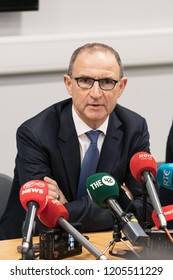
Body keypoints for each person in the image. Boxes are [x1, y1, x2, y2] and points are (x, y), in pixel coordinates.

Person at [0, 42, 154, 240]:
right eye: (85, 80)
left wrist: (64, 208)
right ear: (68, 84)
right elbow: (42, 217)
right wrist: (121, 201)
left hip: (102, 240)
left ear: (121, 87)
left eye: (107, 82)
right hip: (30, 243)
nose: (96, 93)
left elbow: (146, 209)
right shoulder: (35, 133)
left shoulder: (134, 127)